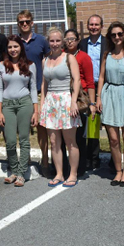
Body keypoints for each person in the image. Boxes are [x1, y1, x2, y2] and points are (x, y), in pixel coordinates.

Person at [97, 22, 124, 187]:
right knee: (114, 139)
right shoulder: (106, 55)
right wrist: (99, 98)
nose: (117, 37)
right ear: (110, 37)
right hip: (109, 95)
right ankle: (117, 171)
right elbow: (101, 77)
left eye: (120, 34)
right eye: (114, 34)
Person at [40, 27, 81, 188]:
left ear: (62, 41)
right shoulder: (45, 60)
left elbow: (76, 80)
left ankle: (73, 174)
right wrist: (43, 104)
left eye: (58, 40)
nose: (55, 43)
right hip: (51, 102)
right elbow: (44, 85)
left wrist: (73, 102)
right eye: (52, 40)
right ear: (48, 42)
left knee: (70, 141)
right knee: (53, 141)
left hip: (66, 100)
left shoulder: (69, 58)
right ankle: (59, 173)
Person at [0, 35, 38, 187]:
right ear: (6, 49)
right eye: (10, 47)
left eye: (16, 46)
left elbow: (33, 88)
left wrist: (35, 111)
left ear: (21, 47)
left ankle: (21, 173)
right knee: (11, 141)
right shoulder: (1, 65)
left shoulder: (30, 65)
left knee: (25, 139)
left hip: (24, 103)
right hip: (7, 105)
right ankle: (13, 170)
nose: (13, 50)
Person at [16, 9, 51, 176]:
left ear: (32, 23)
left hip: (38, 91)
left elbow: (50, 62)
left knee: (42, 128)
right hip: (21, 91)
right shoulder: (15, 42)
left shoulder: (42, 41)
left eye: (27, 21)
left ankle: (45, 160)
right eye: (21, 22)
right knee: (23, 129)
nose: (24, 24)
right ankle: (26, 159)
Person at [63, 29, 96, 177]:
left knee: (78, 137)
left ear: (77, 41)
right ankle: (64, 168)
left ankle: (80, 168)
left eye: (73, 39)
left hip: (79, 100)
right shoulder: (61, 55)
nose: (70, 41)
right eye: (67, 39)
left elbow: (90, 82)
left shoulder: (84, 57)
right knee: (63, 137)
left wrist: (92, 103)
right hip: (63, 98)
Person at [78, 14, 108, 170]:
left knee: (103, 121)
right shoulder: (82, 44)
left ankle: (100, 158)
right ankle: (89, 157)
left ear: (101, 26)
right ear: (88, 26)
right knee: (89, 122)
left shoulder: (108, 43)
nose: (94, 27)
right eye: (91, 24)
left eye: (97, 24)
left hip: (104, 86)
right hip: (87, 88)